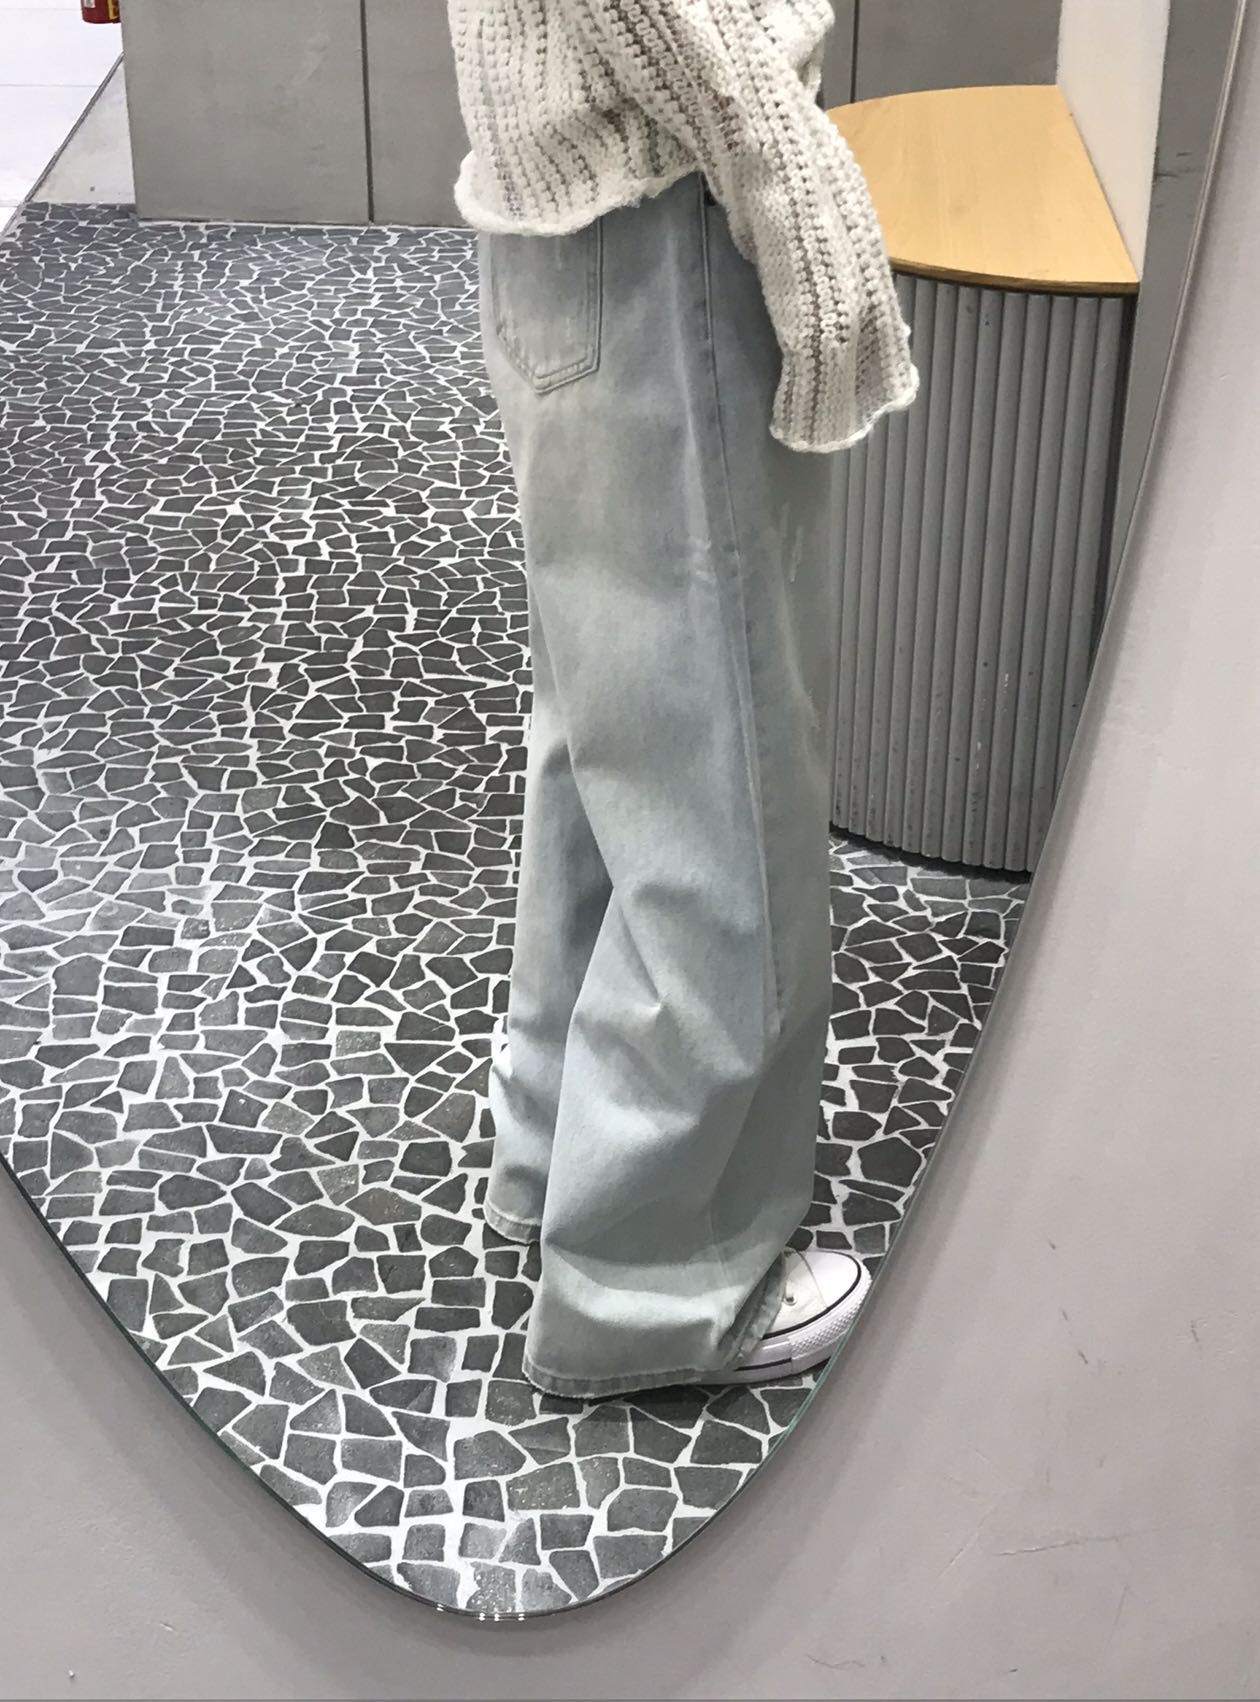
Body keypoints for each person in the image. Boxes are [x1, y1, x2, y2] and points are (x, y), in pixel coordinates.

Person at [444, 0, 919, 1399]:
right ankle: (659, 1280)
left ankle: (560, 1158)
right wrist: (797, 188)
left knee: (614, 737)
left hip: (570, 212)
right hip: (670, 208)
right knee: (721, 764)